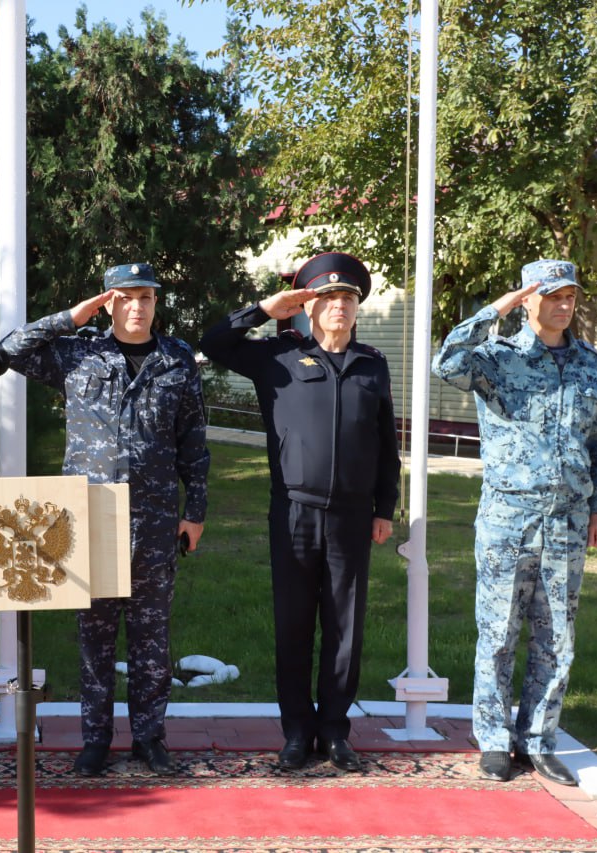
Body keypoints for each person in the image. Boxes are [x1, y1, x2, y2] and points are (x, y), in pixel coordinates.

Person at [0, 262, 210, 777]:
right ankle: (95, 739)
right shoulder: (79, 353)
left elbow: (194, 440)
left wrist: (195, 511)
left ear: (156, 303)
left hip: (155, 520)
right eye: (125, 297)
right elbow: (11, 350)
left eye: (146, 297)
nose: (137, 307)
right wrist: (72, 317)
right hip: (90, 519)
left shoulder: (177, 359)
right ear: (108, 302)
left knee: (151, 640)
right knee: (94, 637)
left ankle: (149, 738)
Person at [200, 251, 399, 773]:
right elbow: (214, 343)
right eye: (328, 298)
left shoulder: (372, 364)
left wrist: (385, 507)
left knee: (345, 629)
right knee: (293, 625)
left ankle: (334, 731)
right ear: (309, 307)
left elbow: (386, 443)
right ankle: (296, 730)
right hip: (294, 512)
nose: (339, 307)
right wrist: (264, 310)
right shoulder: (279, 357)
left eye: (348, 298)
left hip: (352, 516)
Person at [432, 259, 597, 786]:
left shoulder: (590, 364)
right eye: (552, 295)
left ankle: (538, 741)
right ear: (529, 299)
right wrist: (496, 308)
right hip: (509, 518)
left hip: (568, 521)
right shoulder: (497, 358)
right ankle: (492, 740)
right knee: (499, 633)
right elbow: (447, 362)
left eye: (570, 296)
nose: (563, 305)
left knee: (556, 637)